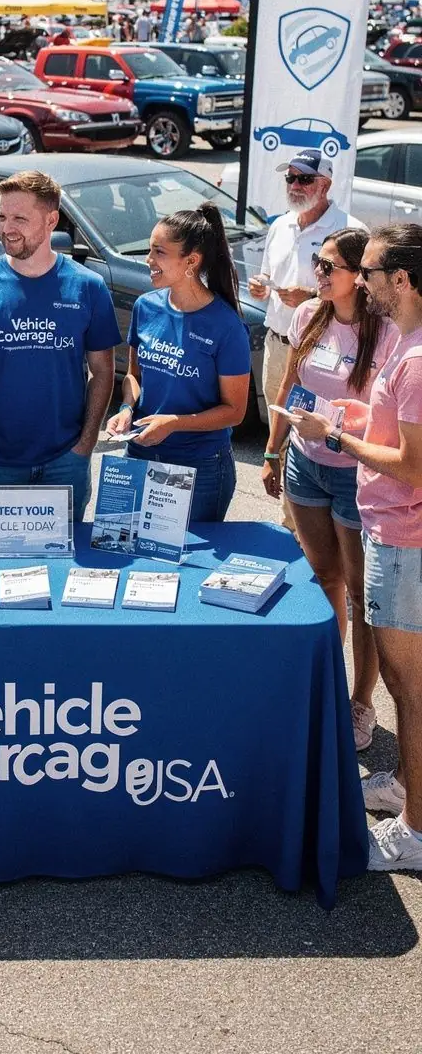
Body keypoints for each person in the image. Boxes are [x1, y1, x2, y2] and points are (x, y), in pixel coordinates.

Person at [289, 225, 422, 872]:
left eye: (368, 271)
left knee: (409, 687)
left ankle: (415, 831)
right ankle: (405, 789)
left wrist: (337, 440)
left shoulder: (416, 357)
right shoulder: (404, 341)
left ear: (401, 279)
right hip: (392, 532)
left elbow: (414, 466)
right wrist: (347, 423)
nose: (361, 282)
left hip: (403, 539)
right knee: (407, 682)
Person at [261, 229, 398, 750]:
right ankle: (324, 683)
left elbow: (389, 419)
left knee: (362, 597)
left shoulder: (383, 331)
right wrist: (273, 451)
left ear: (359, 278)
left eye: (328, 266)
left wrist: (342, 433)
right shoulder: (307, 316)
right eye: (316, 263)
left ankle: (360, 705)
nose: (317, 273)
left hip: (354, 474)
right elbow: (289, 386)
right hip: (305, 464)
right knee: (324, 578)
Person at [0, 169, 120, 520]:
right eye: (2, 217)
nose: (8, 228)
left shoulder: (88, 287)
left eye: (20, 218)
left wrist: (85, 446)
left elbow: (102, 371)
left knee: (66, 566)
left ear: (51, 220)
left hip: (65, 462)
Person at [106, 204, 250, 521]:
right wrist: (127, 408)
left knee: (188, 565)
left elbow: (235, 412)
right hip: (139, 456)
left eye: (159, 252)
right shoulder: (146, 307)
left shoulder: (226, 326)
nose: (148, 260)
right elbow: (134, 376)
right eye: (150, 250)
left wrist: (173, 423)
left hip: (198, 466)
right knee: (131, 552)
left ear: (191, 261)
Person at [247, 150, 366, 527]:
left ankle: (312, 527)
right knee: (280, 430)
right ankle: (293, 521)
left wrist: (312, 298)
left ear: (325, 184)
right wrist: (260, 289)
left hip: (330, 354)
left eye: (304, 179)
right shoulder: (281, 225)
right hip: (280, 341)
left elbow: (359, 294)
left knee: (323, 439)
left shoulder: (349, 230)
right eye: (290, 178)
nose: (295, 186)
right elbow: (266, 277)